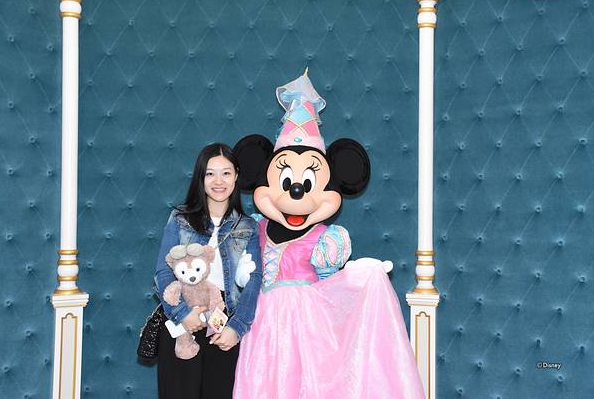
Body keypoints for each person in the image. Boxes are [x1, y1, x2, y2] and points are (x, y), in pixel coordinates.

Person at [232, 74, 425, 398]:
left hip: (309, 330)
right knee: (263, 383)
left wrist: (362, 276)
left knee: (308, 384)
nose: (296, 191)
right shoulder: (255, 228)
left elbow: (331, 289)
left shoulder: (328, 239)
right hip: (261, 325)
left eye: (307, 182)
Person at [154, 143, 262, 399]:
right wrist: (182, 314)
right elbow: (162, 273)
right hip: (182, 322)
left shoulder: (247, 226)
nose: (218, 181)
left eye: (226, 173)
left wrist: (237, 327)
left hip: (222, 325)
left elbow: (254, 280)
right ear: (200, 178)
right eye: (210, 173)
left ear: (236, 176)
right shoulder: (180, 219)